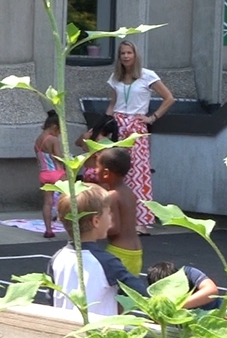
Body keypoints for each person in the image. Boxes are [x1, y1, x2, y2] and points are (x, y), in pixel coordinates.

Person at [104, 41, 173, 234]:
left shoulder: (147, 75)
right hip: (118, 124)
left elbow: (169, 98)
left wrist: (152, 117)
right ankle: (117, 219)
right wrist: (103, 125)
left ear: (135, 55)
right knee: (117, 172)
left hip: (136, 127)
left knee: (137, 174)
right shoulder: (115, 77)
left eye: (129, 53)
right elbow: (112, 103)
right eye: (122, 53)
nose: (126, 56)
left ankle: (140, 221)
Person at [144, 261, 227, 337]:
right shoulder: (158, 297)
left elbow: (211, 290)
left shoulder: (188, 272)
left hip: (215, 311)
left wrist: (178, 306)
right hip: (187, 324)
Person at [50, 187, 120, 316]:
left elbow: (51, 295)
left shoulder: (57, 258)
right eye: (109, 213)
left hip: (63, 329)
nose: (111, 217)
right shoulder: (107, 262)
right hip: (100, 332)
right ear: (96, 221)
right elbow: (136, 293)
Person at [90, 147, 144, 275]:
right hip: (136, 252)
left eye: (97, 167)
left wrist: (93, 229)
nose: (95, 170)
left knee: (111, 291)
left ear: (106, 173)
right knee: (127, 291)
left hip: (119, 252)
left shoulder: (112, 195)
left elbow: (114, 228)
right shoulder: (128, 192)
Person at [34, 111, 67, 239]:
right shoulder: (53, 140)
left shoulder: (38, 140)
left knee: (47, 203)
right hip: (56, 173)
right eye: (59, 131)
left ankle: (48, 230)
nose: (58, 134)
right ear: (54, 127)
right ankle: (71, 226)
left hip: (44, 173)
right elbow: (59, 157)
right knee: (70, 199)